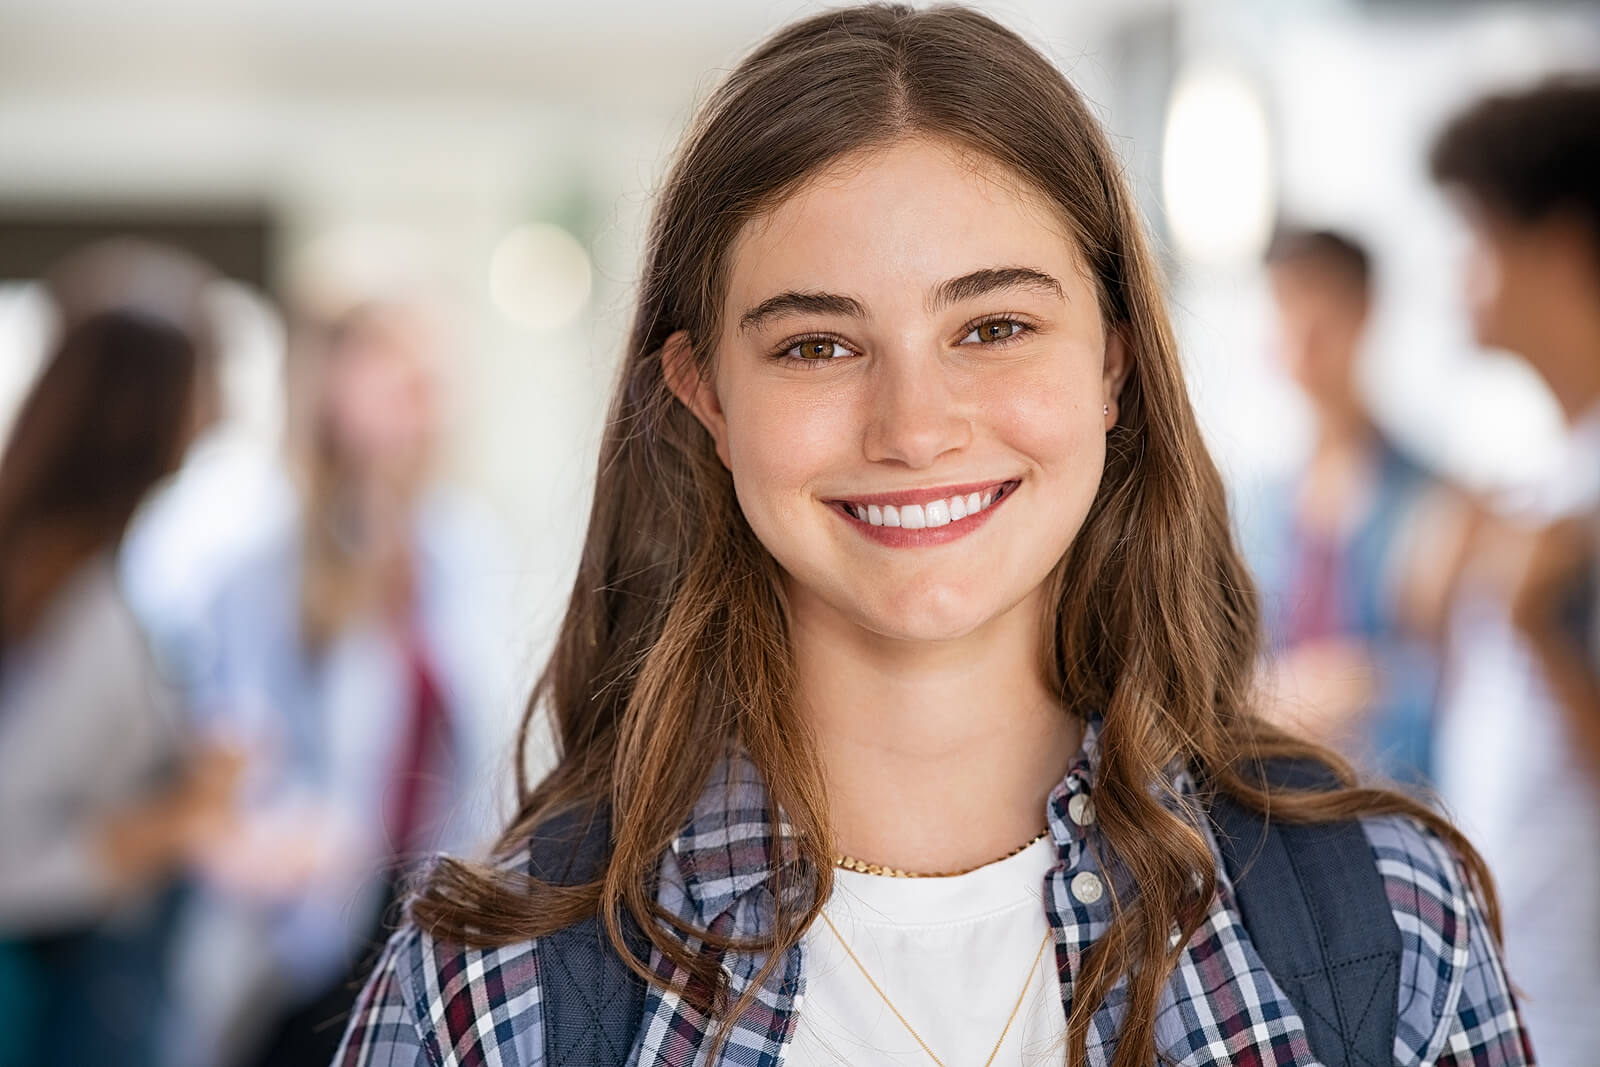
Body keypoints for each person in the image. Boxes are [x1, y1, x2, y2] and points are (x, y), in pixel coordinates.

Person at [338, 6, 1531, 1065]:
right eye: (816, 344)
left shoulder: (1390, 922)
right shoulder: (489, 990)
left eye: (993, 326)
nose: (913, 428)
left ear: (1112, 361)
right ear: (704, 394)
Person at [168, 293, 519, 1067]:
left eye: (429, 369)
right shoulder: (258, 556)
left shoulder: (458, 545)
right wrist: (286, 840)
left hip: (425, 922)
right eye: (392, 364)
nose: (423, 387)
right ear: (328, 388)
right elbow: (226, 757)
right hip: (295, 944)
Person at [0, 241, 241, 1066]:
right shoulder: (81, 608)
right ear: (144, 404)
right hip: (59, 1005)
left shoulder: (83, 575)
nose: (222, 413)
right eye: (208, 381)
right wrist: (170, 821)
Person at [1427, 75, 1600, 1067]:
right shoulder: (1547, 475)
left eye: (1480, 239)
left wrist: (1537, 627)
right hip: (1514, 992)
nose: (1460, 274)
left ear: (1562, 251)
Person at [1244, 228, 1450, 787]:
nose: (1302, 325)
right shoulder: (1254, 505)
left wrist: (1362, 680)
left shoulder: (1432, 500)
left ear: (1363, 311)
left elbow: (1457, 682)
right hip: (1280, 798)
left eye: (1319, 299)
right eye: (1286, 301)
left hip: (1394, 796)